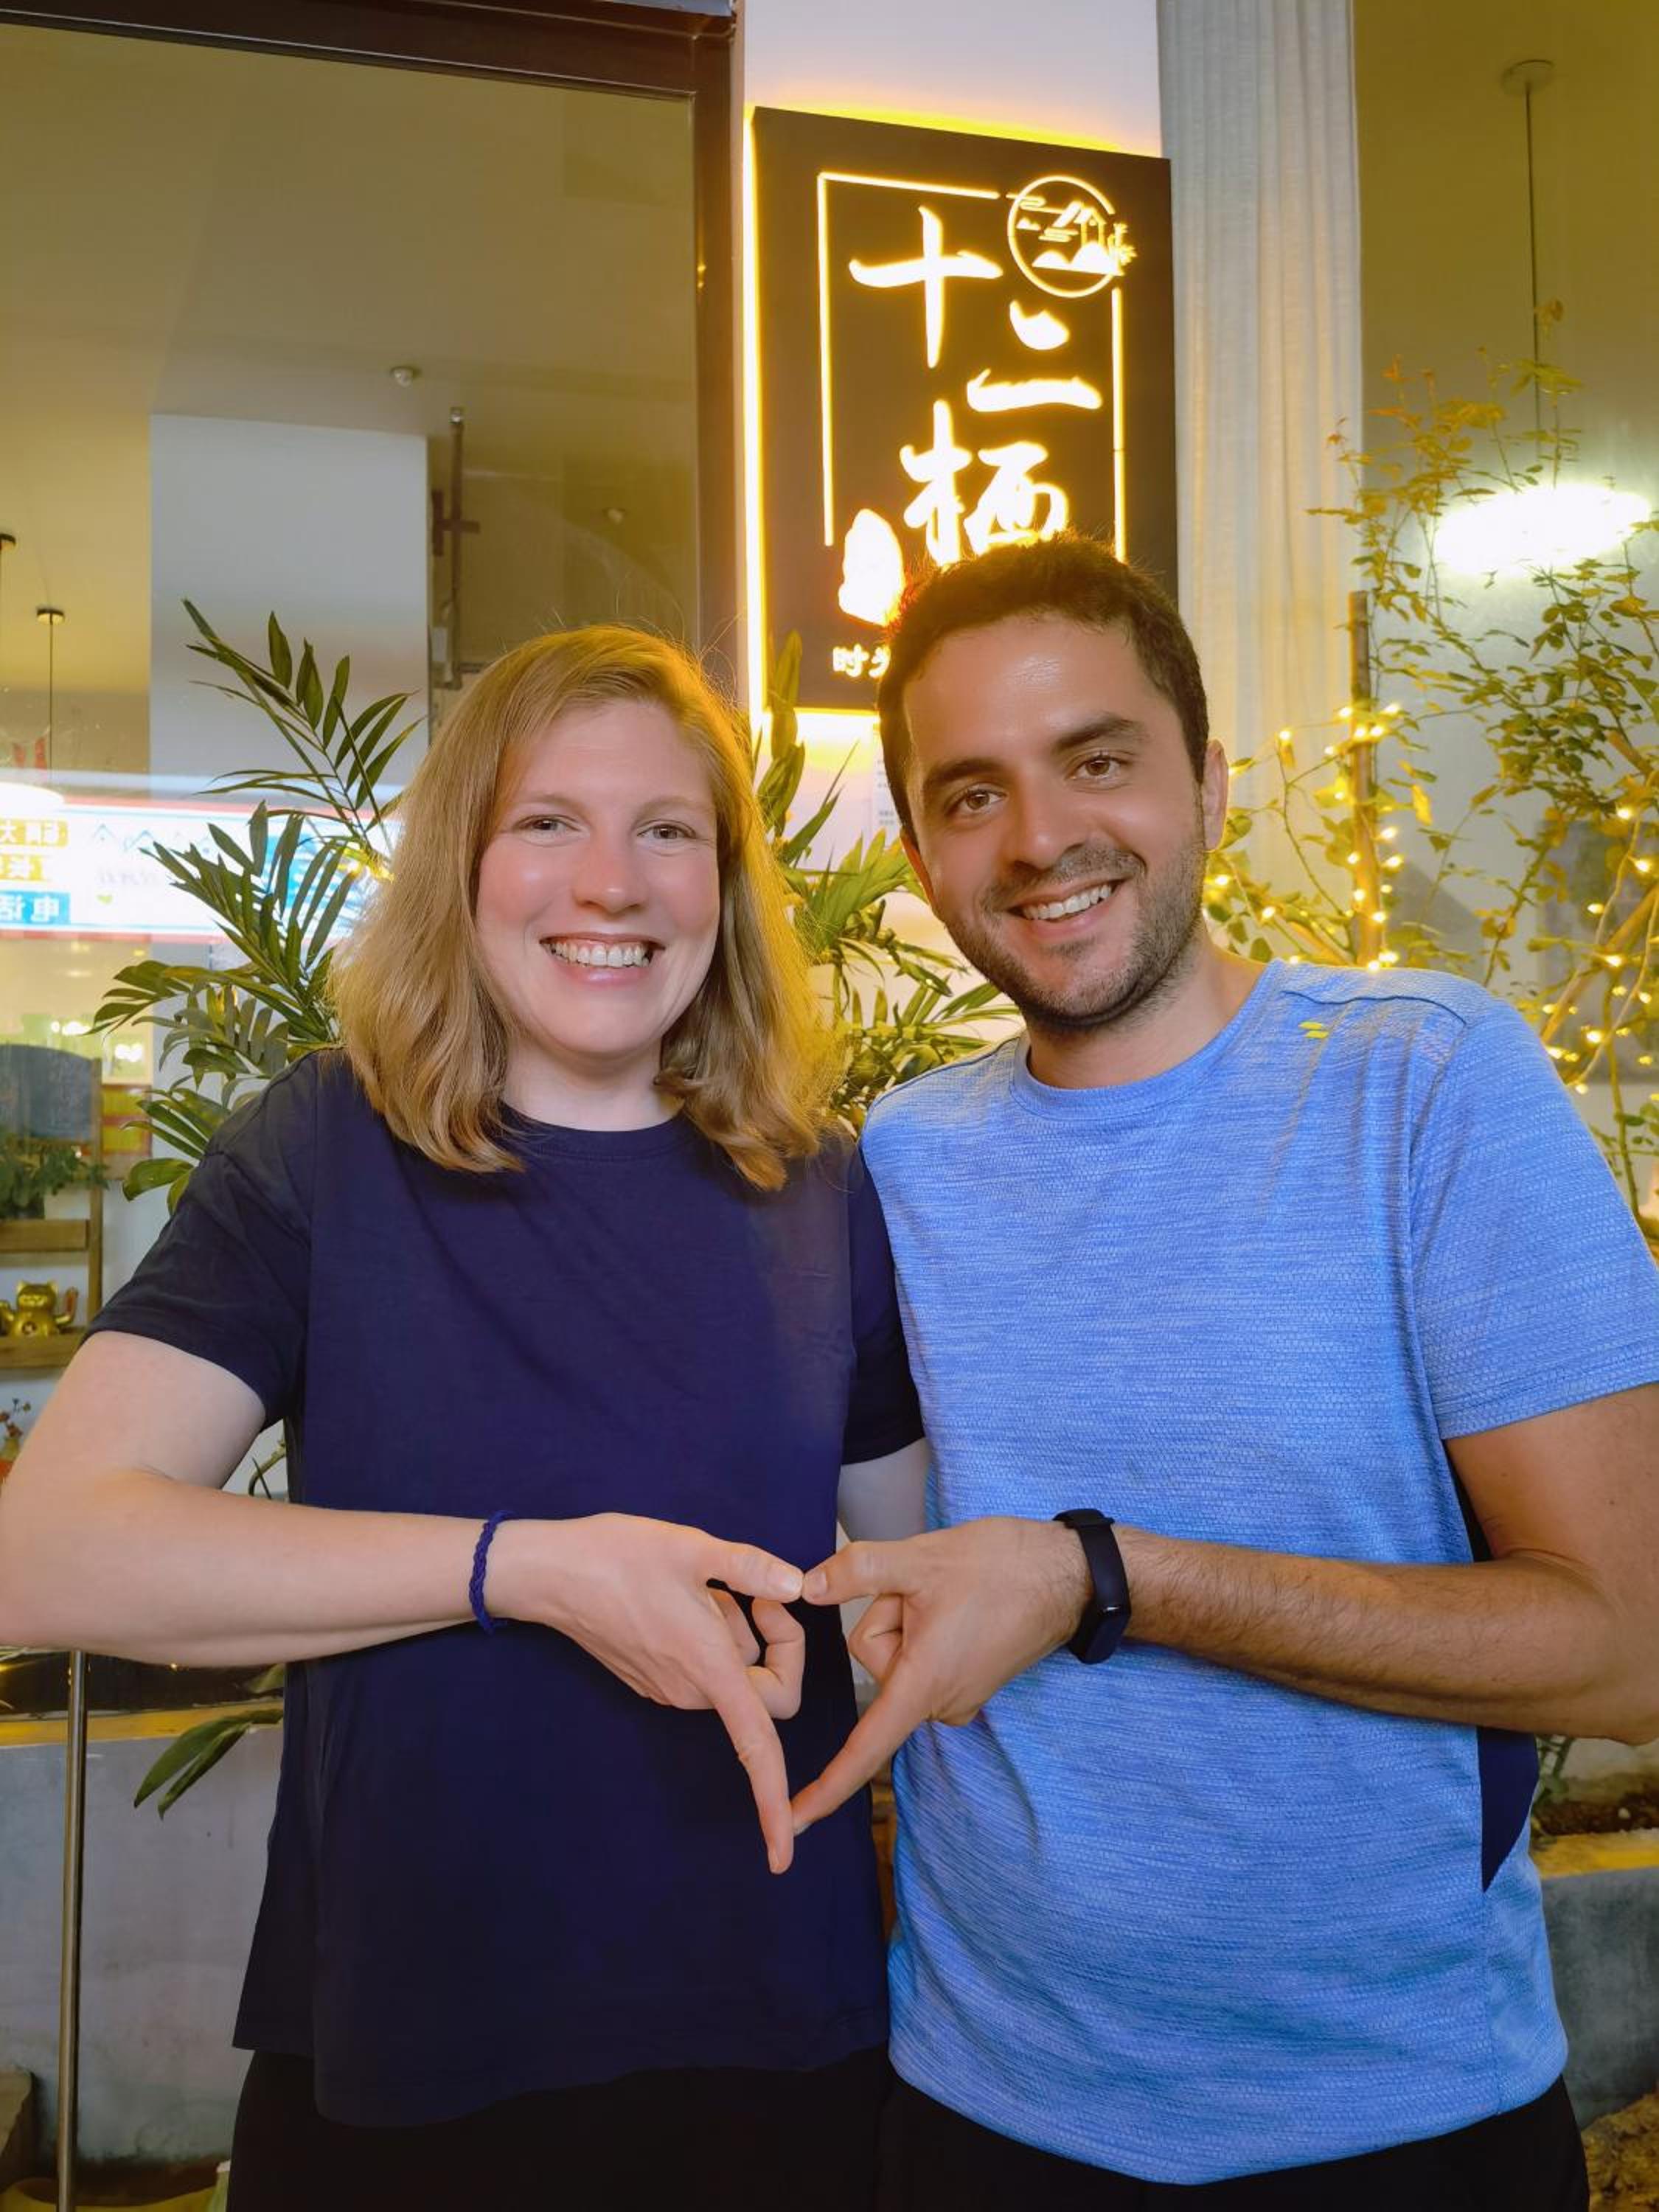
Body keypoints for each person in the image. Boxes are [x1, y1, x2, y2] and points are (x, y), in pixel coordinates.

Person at [0, 626, 925, 2211]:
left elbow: (913, 1584)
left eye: (667, 831)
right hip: (412, 2041)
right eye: (548, 821)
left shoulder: (818, 1184)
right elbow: (48, 1555)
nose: (611, 884)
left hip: (772, 2032)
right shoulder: (324, 1149)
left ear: (722, 884)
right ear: (463, 863)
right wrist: (533, 1569)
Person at [790, 535, 1659, 2209]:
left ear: (1204, 775)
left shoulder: (1423, 1083)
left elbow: (1627, 1647)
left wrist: (1104, 1578)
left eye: (1096, 758)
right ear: (916, 852)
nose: (1037, 838)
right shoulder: (898, 1160)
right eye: (971, 794)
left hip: (1401, 2123)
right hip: (979, 2110)